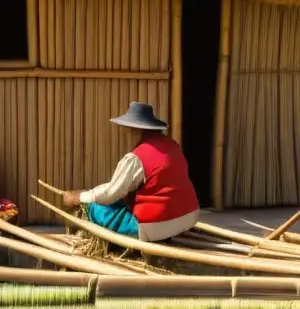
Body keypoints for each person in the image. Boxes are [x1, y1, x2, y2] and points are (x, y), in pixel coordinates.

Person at [62, 102, 200, 242]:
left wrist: (79, 197)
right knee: (120, 200)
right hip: (186, 217)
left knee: (95, 207)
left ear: (136, 130)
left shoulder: (137, 158)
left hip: (157, 225)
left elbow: (110, 193)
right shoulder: (173, 146)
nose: (127, 135)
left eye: (128, 130)